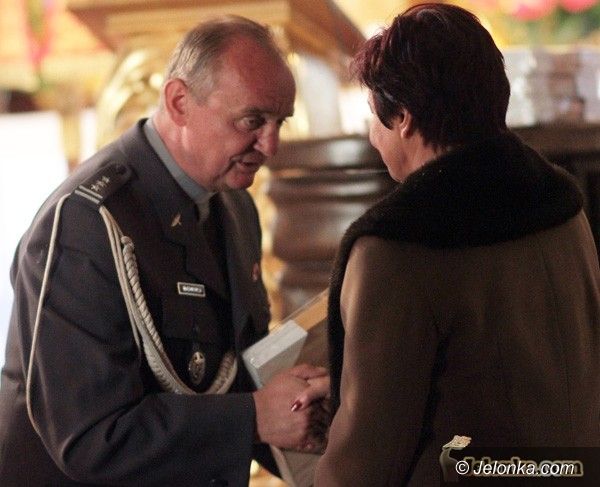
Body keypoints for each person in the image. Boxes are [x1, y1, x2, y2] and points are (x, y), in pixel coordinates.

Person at [0, 16, 329, 486]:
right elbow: (91, 438)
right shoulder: (87, 221)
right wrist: (254, 417)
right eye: (252, 120)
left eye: (280, 122)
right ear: (179, 102)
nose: (271, 145)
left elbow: (235, 371)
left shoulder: (234, 206)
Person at [304, 3, 600, 486]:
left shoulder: (396, 250)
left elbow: (365, 461)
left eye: (373, 116)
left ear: (403, 117)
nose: (372, 136)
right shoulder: (564, 209)